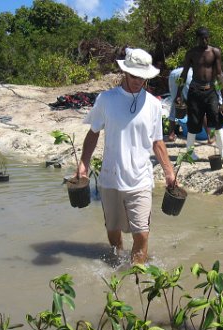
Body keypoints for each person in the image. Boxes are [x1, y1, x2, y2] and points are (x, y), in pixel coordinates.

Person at [77, 48, 176, 265]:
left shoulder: (154, 104)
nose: (138, 81)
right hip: (110, 178)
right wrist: (83, 163)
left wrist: (169, 171)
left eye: (142, 77)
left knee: (141, 233)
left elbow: (157, 142)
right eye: (133, 76)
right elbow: (93, 133)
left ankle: (136, 279)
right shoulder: (106, 99)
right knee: (113, 232)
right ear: (124, 73)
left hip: (140, 179)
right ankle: (117, 264)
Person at [175, 27, 223, 162]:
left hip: (211, 91)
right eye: (202, 38)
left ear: (209, 38)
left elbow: (219, 74)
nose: (204, 41)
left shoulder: (215, 52)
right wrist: (178, 93)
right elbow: (183, 73)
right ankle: (189, 152)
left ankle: (222, 151)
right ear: (197, 39)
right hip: (195, 91)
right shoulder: (191, 53)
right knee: (193, 122)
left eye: (207, 38)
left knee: (217, 121)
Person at [167, 67, 215, 144]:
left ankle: (171, 135)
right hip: (188, 75)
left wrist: (179, 95)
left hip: (173, 74)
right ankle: (210, 136)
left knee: (175, 103)